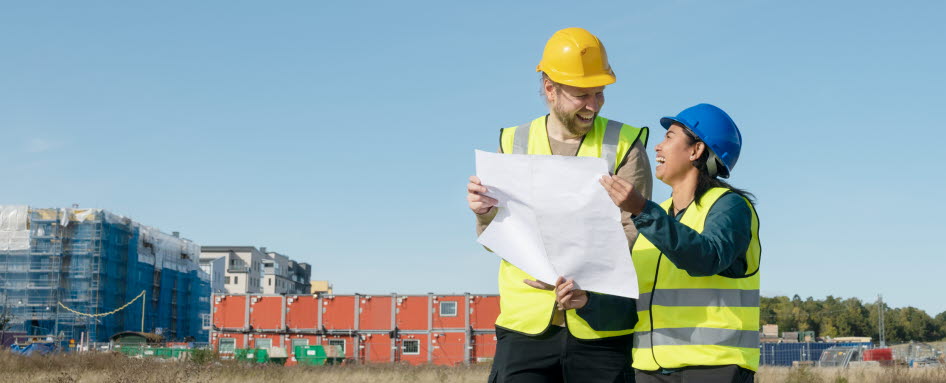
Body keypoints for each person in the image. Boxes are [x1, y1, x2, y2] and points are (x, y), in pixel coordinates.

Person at [466, 27, 652, 383]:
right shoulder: (514, 142)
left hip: (601, 327)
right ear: (550, 89)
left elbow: (634, 230)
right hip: (526, 329)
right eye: (582, 95)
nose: (594, 105)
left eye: (600, 94)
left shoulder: (625, 145)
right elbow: (499, 237)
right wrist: (483, 212)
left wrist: (583, 280)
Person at [563, 103, 760, 382]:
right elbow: (634, 308)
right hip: (651, 371)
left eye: (669, 137)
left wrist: (643, 210)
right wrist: (587, 302)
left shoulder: (730, 207)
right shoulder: (655, 217)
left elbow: (708, 257)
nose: (657, 147)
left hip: (713, 368)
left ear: (696, 150)